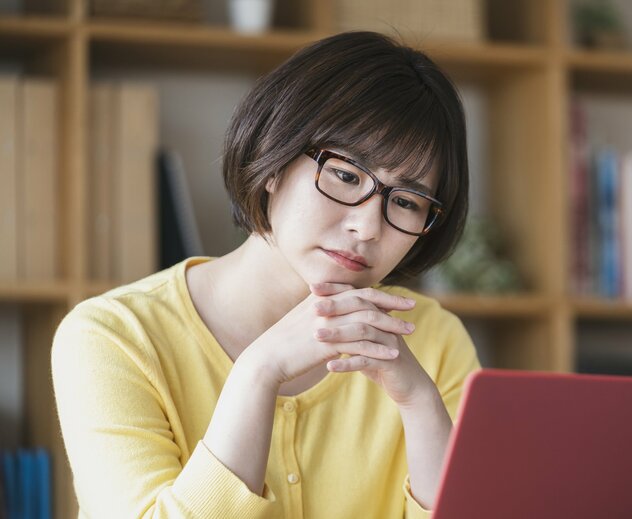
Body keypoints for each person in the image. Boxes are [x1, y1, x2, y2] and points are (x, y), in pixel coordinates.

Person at [52, 31, 480, 518]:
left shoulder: (434, 341)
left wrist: (421, 403)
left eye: (405, 202)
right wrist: (258, 374)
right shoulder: (113, 337)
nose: (366, 226)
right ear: (274, 159)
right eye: (345, 174)